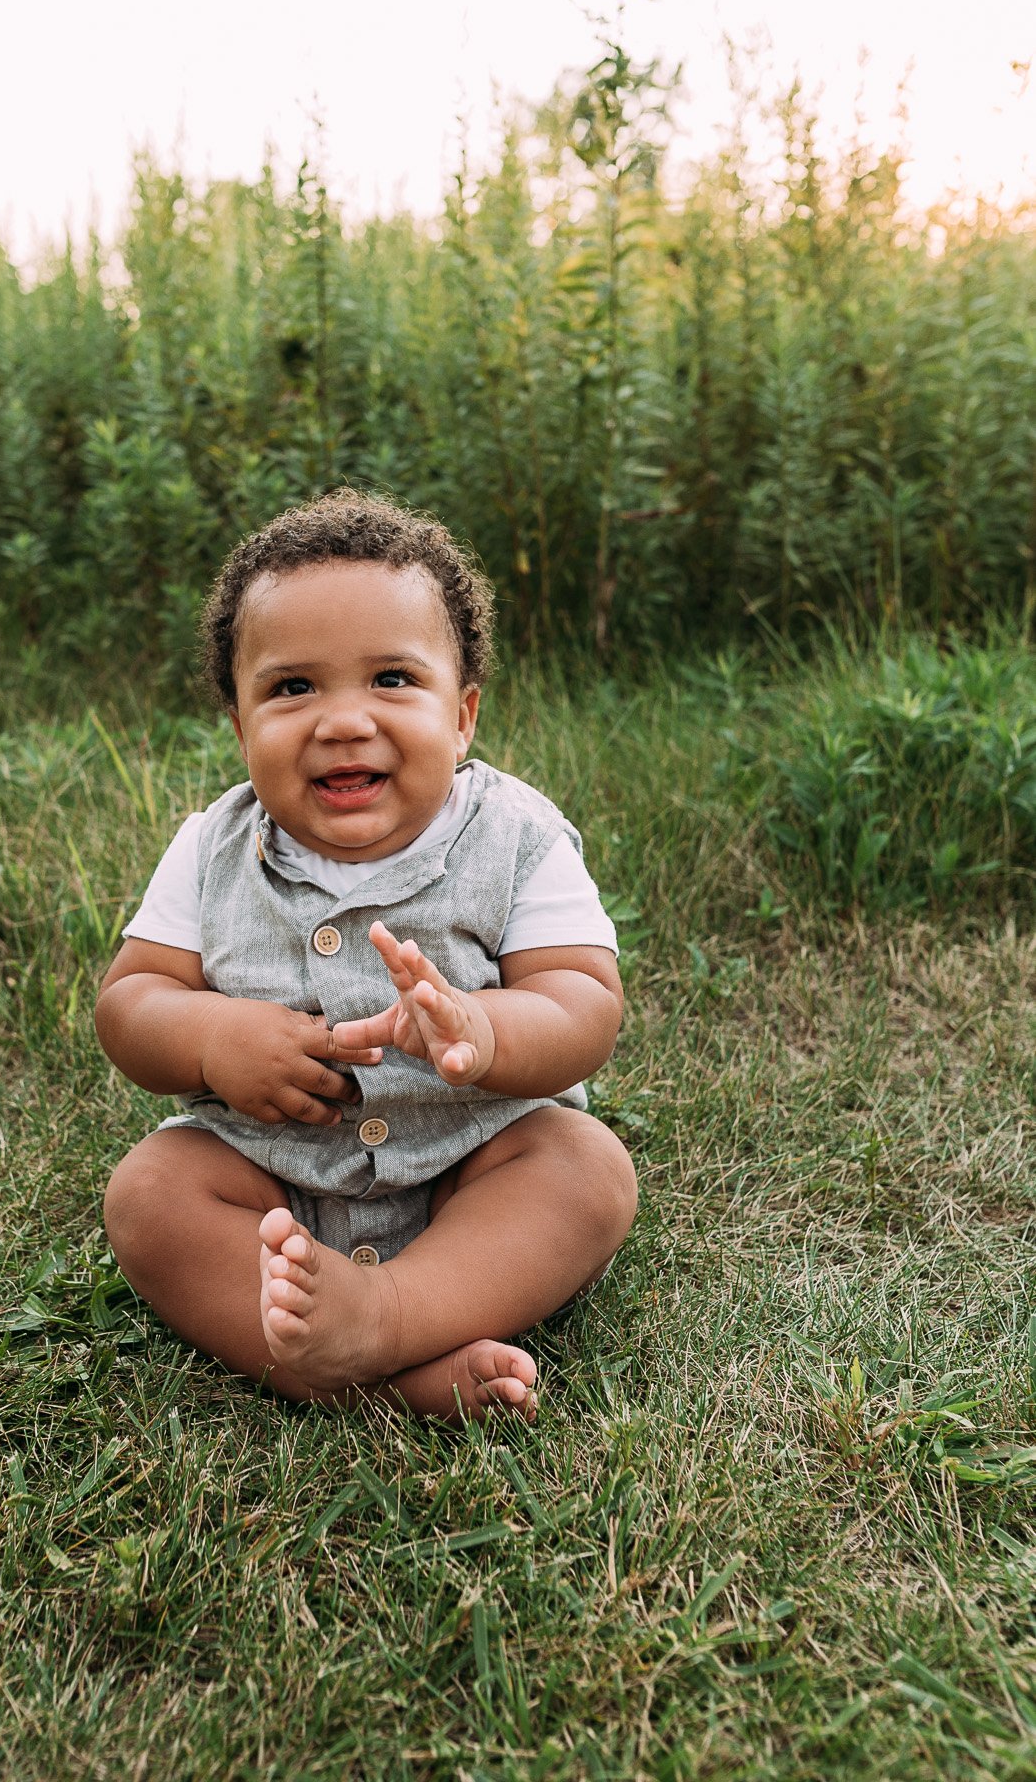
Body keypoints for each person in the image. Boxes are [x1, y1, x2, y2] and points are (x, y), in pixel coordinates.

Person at [97, 491, 636, 1420]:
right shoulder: (208, 847)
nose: (342, 721)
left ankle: (389, 1318)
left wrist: (480, 1028)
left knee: (584, 1169)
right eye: (292, 687)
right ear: (239, 726)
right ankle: (389, 1382)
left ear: (462, 715)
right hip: (271, 1181)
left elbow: (583, 1004)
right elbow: (130, 1002)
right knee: (149, 1193)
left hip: (472, 1170)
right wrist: (210, 1035)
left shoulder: (517, 838)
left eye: (391, 679)